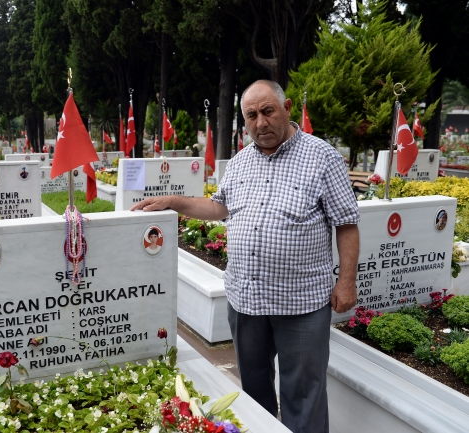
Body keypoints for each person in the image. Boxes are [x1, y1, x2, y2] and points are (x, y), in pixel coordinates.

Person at [131, 79, 360, 432]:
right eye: (251, 115)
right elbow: (219, 206)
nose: (260, 123)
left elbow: (346, 224)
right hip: (246, 301)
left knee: (304, 394)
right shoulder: (240, 162)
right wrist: (174, 202)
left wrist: (346, 283)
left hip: (301, 303)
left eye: (268, 111)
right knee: (253, 393)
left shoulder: (322, 157)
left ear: (286, 109)